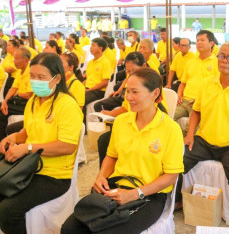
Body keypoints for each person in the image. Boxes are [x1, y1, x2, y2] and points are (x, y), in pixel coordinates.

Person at [61, 68, 184, 234]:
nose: (128, 97)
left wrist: (135, 193)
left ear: (155, 93)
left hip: (149, 195)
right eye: (127, 91)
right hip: (117, 186)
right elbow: (111, 156)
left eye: (135, 92)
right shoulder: (121, 121)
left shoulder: (170, 129)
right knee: (70, 228)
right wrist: (101, 176)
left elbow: (171, 176)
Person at [0, 53, 83, 234]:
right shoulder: (33, 102)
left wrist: (28, 148)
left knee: (7, 211)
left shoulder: (66, 105)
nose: (34, 81)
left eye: (41, 77)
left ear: (57, 78)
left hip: (54, 175)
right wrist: (14, 137)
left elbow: (68, 146)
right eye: (31, 76)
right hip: (28, 167)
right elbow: (27, 132)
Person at [180, 41, 229, 221]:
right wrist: (190, 134)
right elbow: (196, 112)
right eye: (221, 56)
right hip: (204, 140)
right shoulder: (207, 84)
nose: (224, 60)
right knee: (175, 162)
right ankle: (177, 201)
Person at [174, 30, 218, 122]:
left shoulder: (217, 63)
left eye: (202, 40)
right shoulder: (190, 62)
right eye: (197, 40)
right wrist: (179, 95)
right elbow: (183, 83)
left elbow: (217, 89)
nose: (199, 43)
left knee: (191, 126)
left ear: (211, 43)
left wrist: (202, 100)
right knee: (166, 117)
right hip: (184, 101)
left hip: (201, 103)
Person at [93, 52, 147, 116]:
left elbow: (127, 108)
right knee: (98, 105)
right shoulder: (132, 76)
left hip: (132, 108)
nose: (131, 74)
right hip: (124, 97)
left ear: (144, 66)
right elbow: (126, 79)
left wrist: (110, 114)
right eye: (128, 71)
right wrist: (119, 91)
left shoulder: (146, 85)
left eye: (134, 70)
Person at [0, 47, 33, 140]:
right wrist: (5, 101)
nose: (14, 61)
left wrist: (18, 94)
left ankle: (3, 140)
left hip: (26, 104)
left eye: (16, 59)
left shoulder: (31, 72)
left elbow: (28, 95)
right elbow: (13, 88)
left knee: (1, 112)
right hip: (18, 101)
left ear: (25, 60)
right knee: (2, 107)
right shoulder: (20, 72)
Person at [83, 38, 112, 109]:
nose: (91, 47)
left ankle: (81, 119)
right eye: (91, 45)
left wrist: (89, 90)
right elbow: (88, 79)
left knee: (80, 99)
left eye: (93, 45)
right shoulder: (90, 62)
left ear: (100, 48)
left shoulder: (105, 62)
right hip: (88, 88)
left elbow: (105, 83)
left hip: (97, 91)